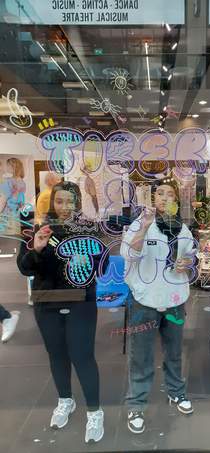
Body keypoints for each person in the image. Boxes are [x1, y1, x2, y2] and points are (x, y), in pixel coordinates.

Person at [17, 181, 105, 444]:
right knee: (57, 355)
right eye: (60, 201)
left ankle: (94, 411)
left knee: (82, 355)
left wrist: (88, 257)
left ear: (77, 203)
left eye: (70, 201)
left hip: (81, 302)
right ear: (52, 202)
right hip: (47, 303)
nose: (65, 207)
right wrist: (38, 248)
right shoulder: (38, 229)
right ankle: (65, 400)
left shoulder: (89, 228)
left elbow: (103, 265)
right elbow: (24, 268)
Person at [120, 178, 196, 434]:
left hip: (174, 302)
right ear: (153, 198)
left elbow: (190, 259)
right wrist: (144, 226)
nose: (164, 198)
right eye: (160, 193)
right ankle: (137, 404)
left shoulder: (182, 229)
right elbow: (129, 255)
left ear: (176, 200)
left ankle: (177, 392)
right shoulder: (139, 224)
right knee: (141, 355)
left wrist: (187, 265)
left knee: (174, 351)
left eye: (170, 195)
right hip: (145, 303)